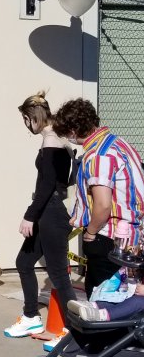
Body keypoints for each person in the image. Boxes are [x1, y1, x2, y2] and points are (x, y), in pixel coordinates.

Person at [52, 98, 144, 297]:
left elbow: (102, 205)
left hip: (110, 237)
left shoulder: (98, 155)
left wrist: (91, 232)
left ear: (73, 131)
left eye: (67, 134)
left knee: (103, 298)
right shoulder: (118, 143)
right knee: (126, 293)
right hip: (133, 234)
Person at [4, 91, 76, 340]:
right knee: (24, 262)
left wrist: (29, 215)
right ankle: (31, 318)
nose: (26, 125)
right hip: (47, 210)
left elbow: (47, 185)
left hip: (51, 213)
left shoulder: (51, 141)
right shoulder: (59, 139)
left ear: (34, 117)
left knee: (58, 275)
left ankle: (71, 331)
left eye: (26, 119)